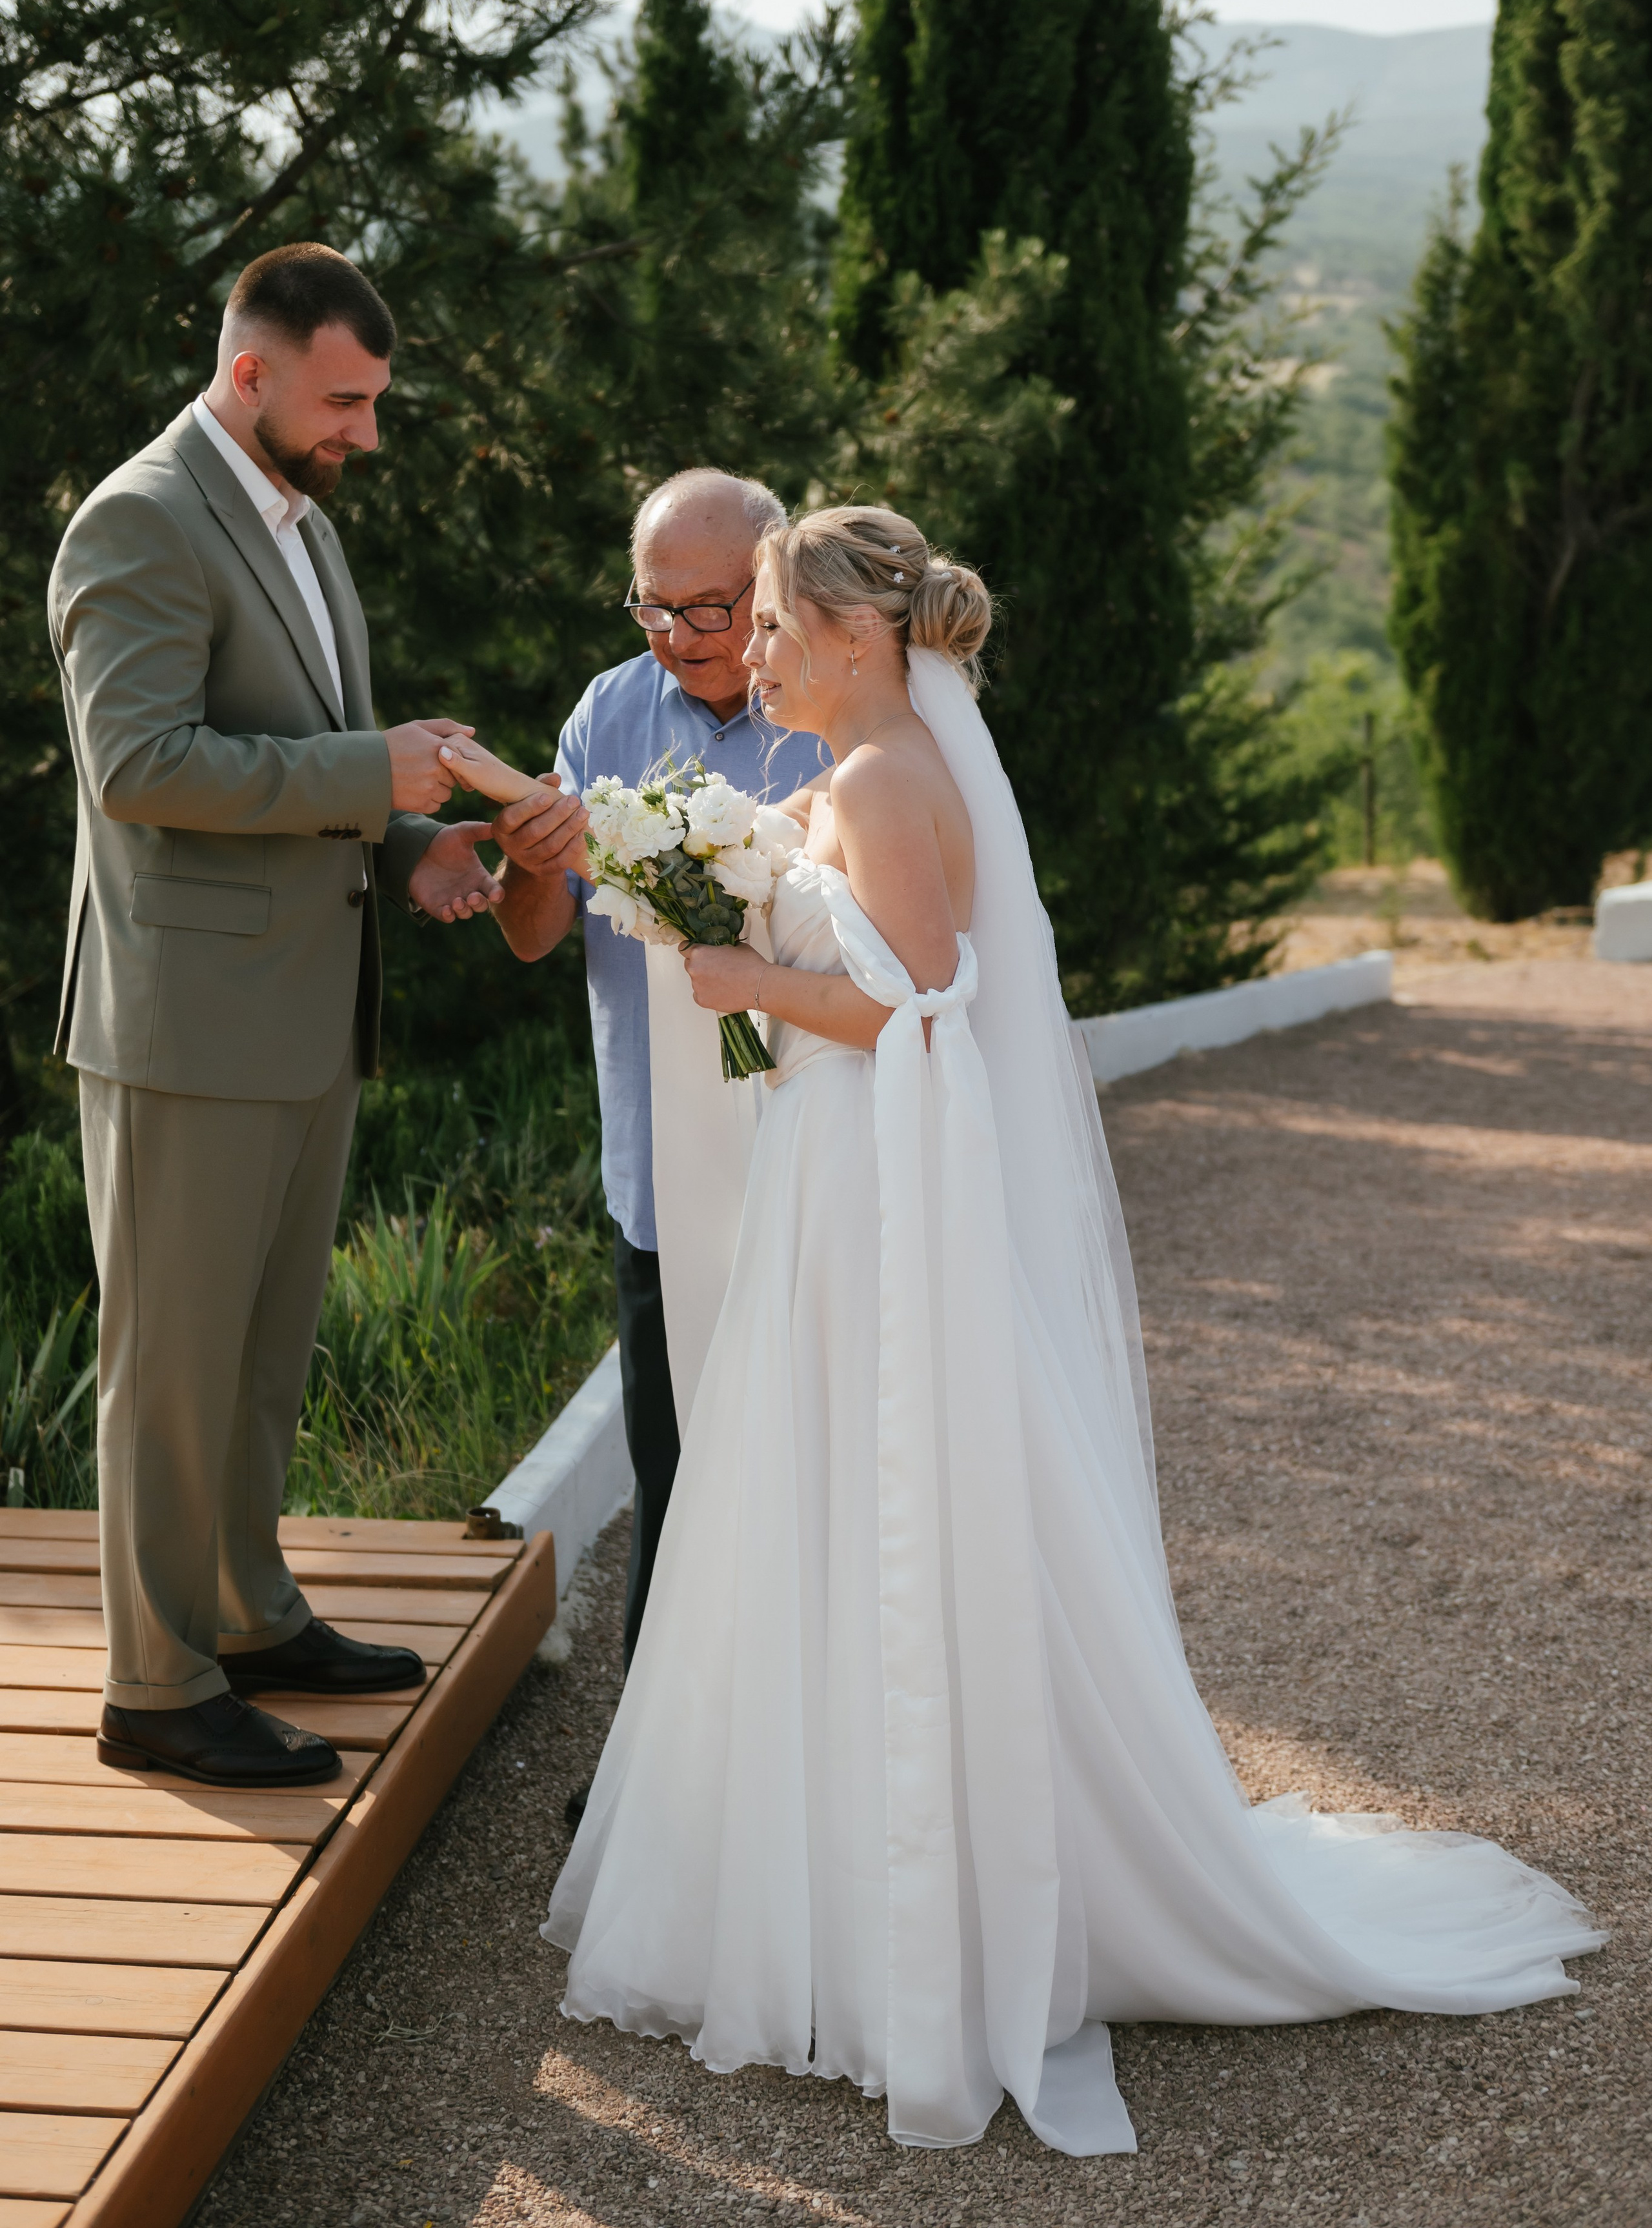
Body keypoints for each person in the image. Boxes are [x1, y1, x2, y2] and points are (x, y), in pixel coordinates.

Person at [540, 506, 1601, 2157]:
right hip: (832, 1169)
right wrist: (698, 902)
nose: (745, 658)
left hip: (875, 1171)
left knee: (890, 1512)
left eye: (763, 627)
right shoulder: (851, 772)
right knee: (815, 1509)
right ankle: (819, 1881)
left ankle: (913, 1905)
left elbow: (921, 995)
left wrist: (746, 980)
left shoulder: (891, 778)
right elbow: (821, 915)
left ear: (850, 630)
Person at [50, 243, 503, 1789]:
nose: (366, 432)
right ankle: (154, 1685)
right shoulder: (138, 519)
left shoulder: (293, 520)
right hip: (186, 1023)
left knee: (257, 1354)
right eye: (346, 400)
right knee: (171, 1366)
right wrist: (371, 775)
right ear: (252, 373)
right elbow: (142, 763)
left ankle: (244, 1612)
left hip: (304, 1012)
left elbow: (302, 748)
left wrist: (410, 837)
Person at [490, 470, 822, 1675]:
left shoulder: (840, 706)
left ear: (773, 583)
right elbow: (533, 934)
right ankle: (661, 1802)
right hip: (662, 1185)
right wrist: (533, 863)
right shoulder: (608, 712)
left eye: (713, 610)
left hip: (825, 1156)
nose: (679, 639)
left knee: (827, 1484)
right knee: (675, 1485)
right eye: (653, 608)